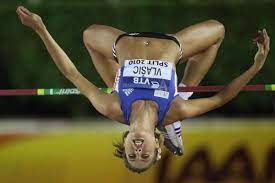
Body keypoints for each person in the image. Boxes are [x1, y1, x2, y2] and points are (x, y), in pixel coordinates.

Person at [16, 6, 270, 173]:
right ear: (157, 148)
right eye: (144, 155)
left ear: (125, 142)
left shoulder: (113, 107)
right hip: (173, 46)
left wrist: (42, 29)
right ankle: (183, 89)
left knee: (89, 35)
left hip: (123, 45)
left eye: (132, 154)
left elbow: (72, 73)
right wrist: (255, 67)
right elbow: (221, 97)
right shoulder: (173, 109)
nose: (138, 150)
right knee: (218, 30)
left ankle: (119, 81)